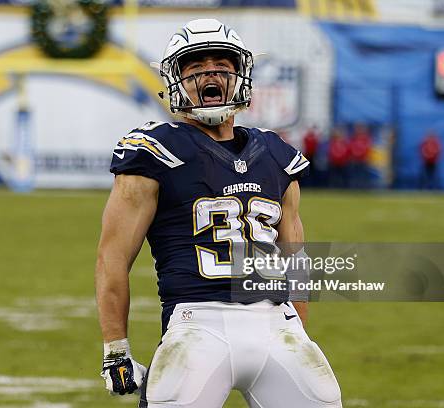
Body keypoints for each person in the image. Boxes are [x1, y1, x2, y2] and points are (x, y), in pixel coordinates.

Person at [95, 18, 342, 408]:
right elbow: (112, 257)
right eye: (195, 67)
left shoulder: (277, 155)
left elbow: (296, 259)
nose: (210, 75)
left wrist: (299, 331)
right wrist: (115, 347)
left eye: (222, 67)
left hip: (277, 326)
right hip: (197, 327)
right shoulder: (154, 150)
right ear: (176, 80)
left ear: (240, 76)